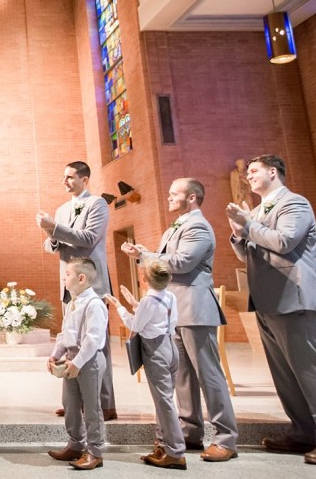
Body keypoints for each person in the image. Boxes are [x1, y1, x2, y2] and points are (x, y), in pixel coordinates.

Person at [227, 155, 316, 465]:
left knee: (310, 371)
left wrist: (249, 226)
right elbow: (248, 253)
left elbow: (284, 242)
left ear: (273, 171)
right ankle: (303, 431)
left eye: (254, 171)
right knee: (284, 374)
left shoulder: (294, 203)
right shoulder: (256, 210)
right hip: (267, 299)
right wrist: (238, 234)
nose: (249, 177)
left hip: (294, 297)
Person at [121, 178, 238, 461]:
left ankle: (226, 438)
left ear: (193, 197)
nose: (169, 197)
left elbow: (183, 263)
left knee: (209, 375)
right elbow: (167, 261)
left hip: (195, 308)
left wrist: (146, 255)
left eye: (175, 193)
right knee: (182, 376)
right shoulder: (177, 225)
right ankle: (190, 431)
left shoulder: (197, 226)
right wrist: (144, 256)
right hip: (174, 311)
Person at [37, 161, 117, 419]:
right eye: (64, 177)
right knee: (71, 344)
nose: (65, 181)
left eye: (70, 177)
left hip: (92, 284)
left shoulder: (97, 205)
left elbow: (88, 238)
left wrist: (55, 228)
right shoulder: (61, 210)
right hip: (69, 286)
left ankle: (105, 404)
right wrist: (51, 235)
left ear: (84, 179)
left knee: (96, 344)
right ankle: (74, 402)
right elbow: (53, 246)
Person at [106, 259, 186, 470]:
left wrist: (119, 306)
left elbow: (135, 325)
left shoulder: (149, 301)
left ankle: (176, 451)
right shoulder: (169, 296)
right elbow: (159, 318)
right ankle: (162, 445)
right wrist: (135, 303)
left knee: (165, 402)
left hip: (155, 351)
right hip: (170, 346)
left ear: (143, 280)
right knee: (164, 399)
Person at [47, 258, 107, 471]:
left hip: (88, 360)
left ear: (82, 278)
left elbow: (93, 339)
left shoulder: (94, 304)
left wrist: (78, 362)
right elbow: (65, 333)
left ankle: (95, 452)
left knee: (91, 408)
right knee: (70, 403)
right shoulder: (71, 302)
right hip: (72, 358)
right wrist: (56, 355)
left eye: (68, 274)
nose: (64, 277)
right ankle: (75, 444)